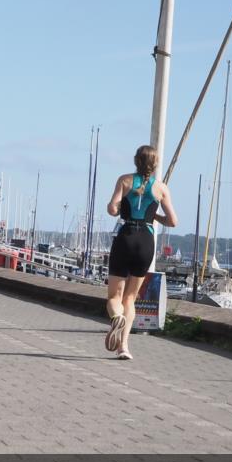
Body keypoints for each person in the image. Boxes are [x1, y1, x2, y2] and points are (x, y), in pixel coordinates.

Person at [104, 145, 178, 359]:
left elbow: (112, 209)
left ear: (136, 160)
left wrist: (117, 207)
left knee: (114, 297)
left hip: (126, 236)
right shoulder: (161, 188)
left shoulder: (124, 180)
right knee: (131, 298)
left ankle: (116, 317)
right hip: (145, 241)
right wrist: (155, 217)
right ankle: (123, 348)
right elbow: (173, 221)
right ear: (154, 165)